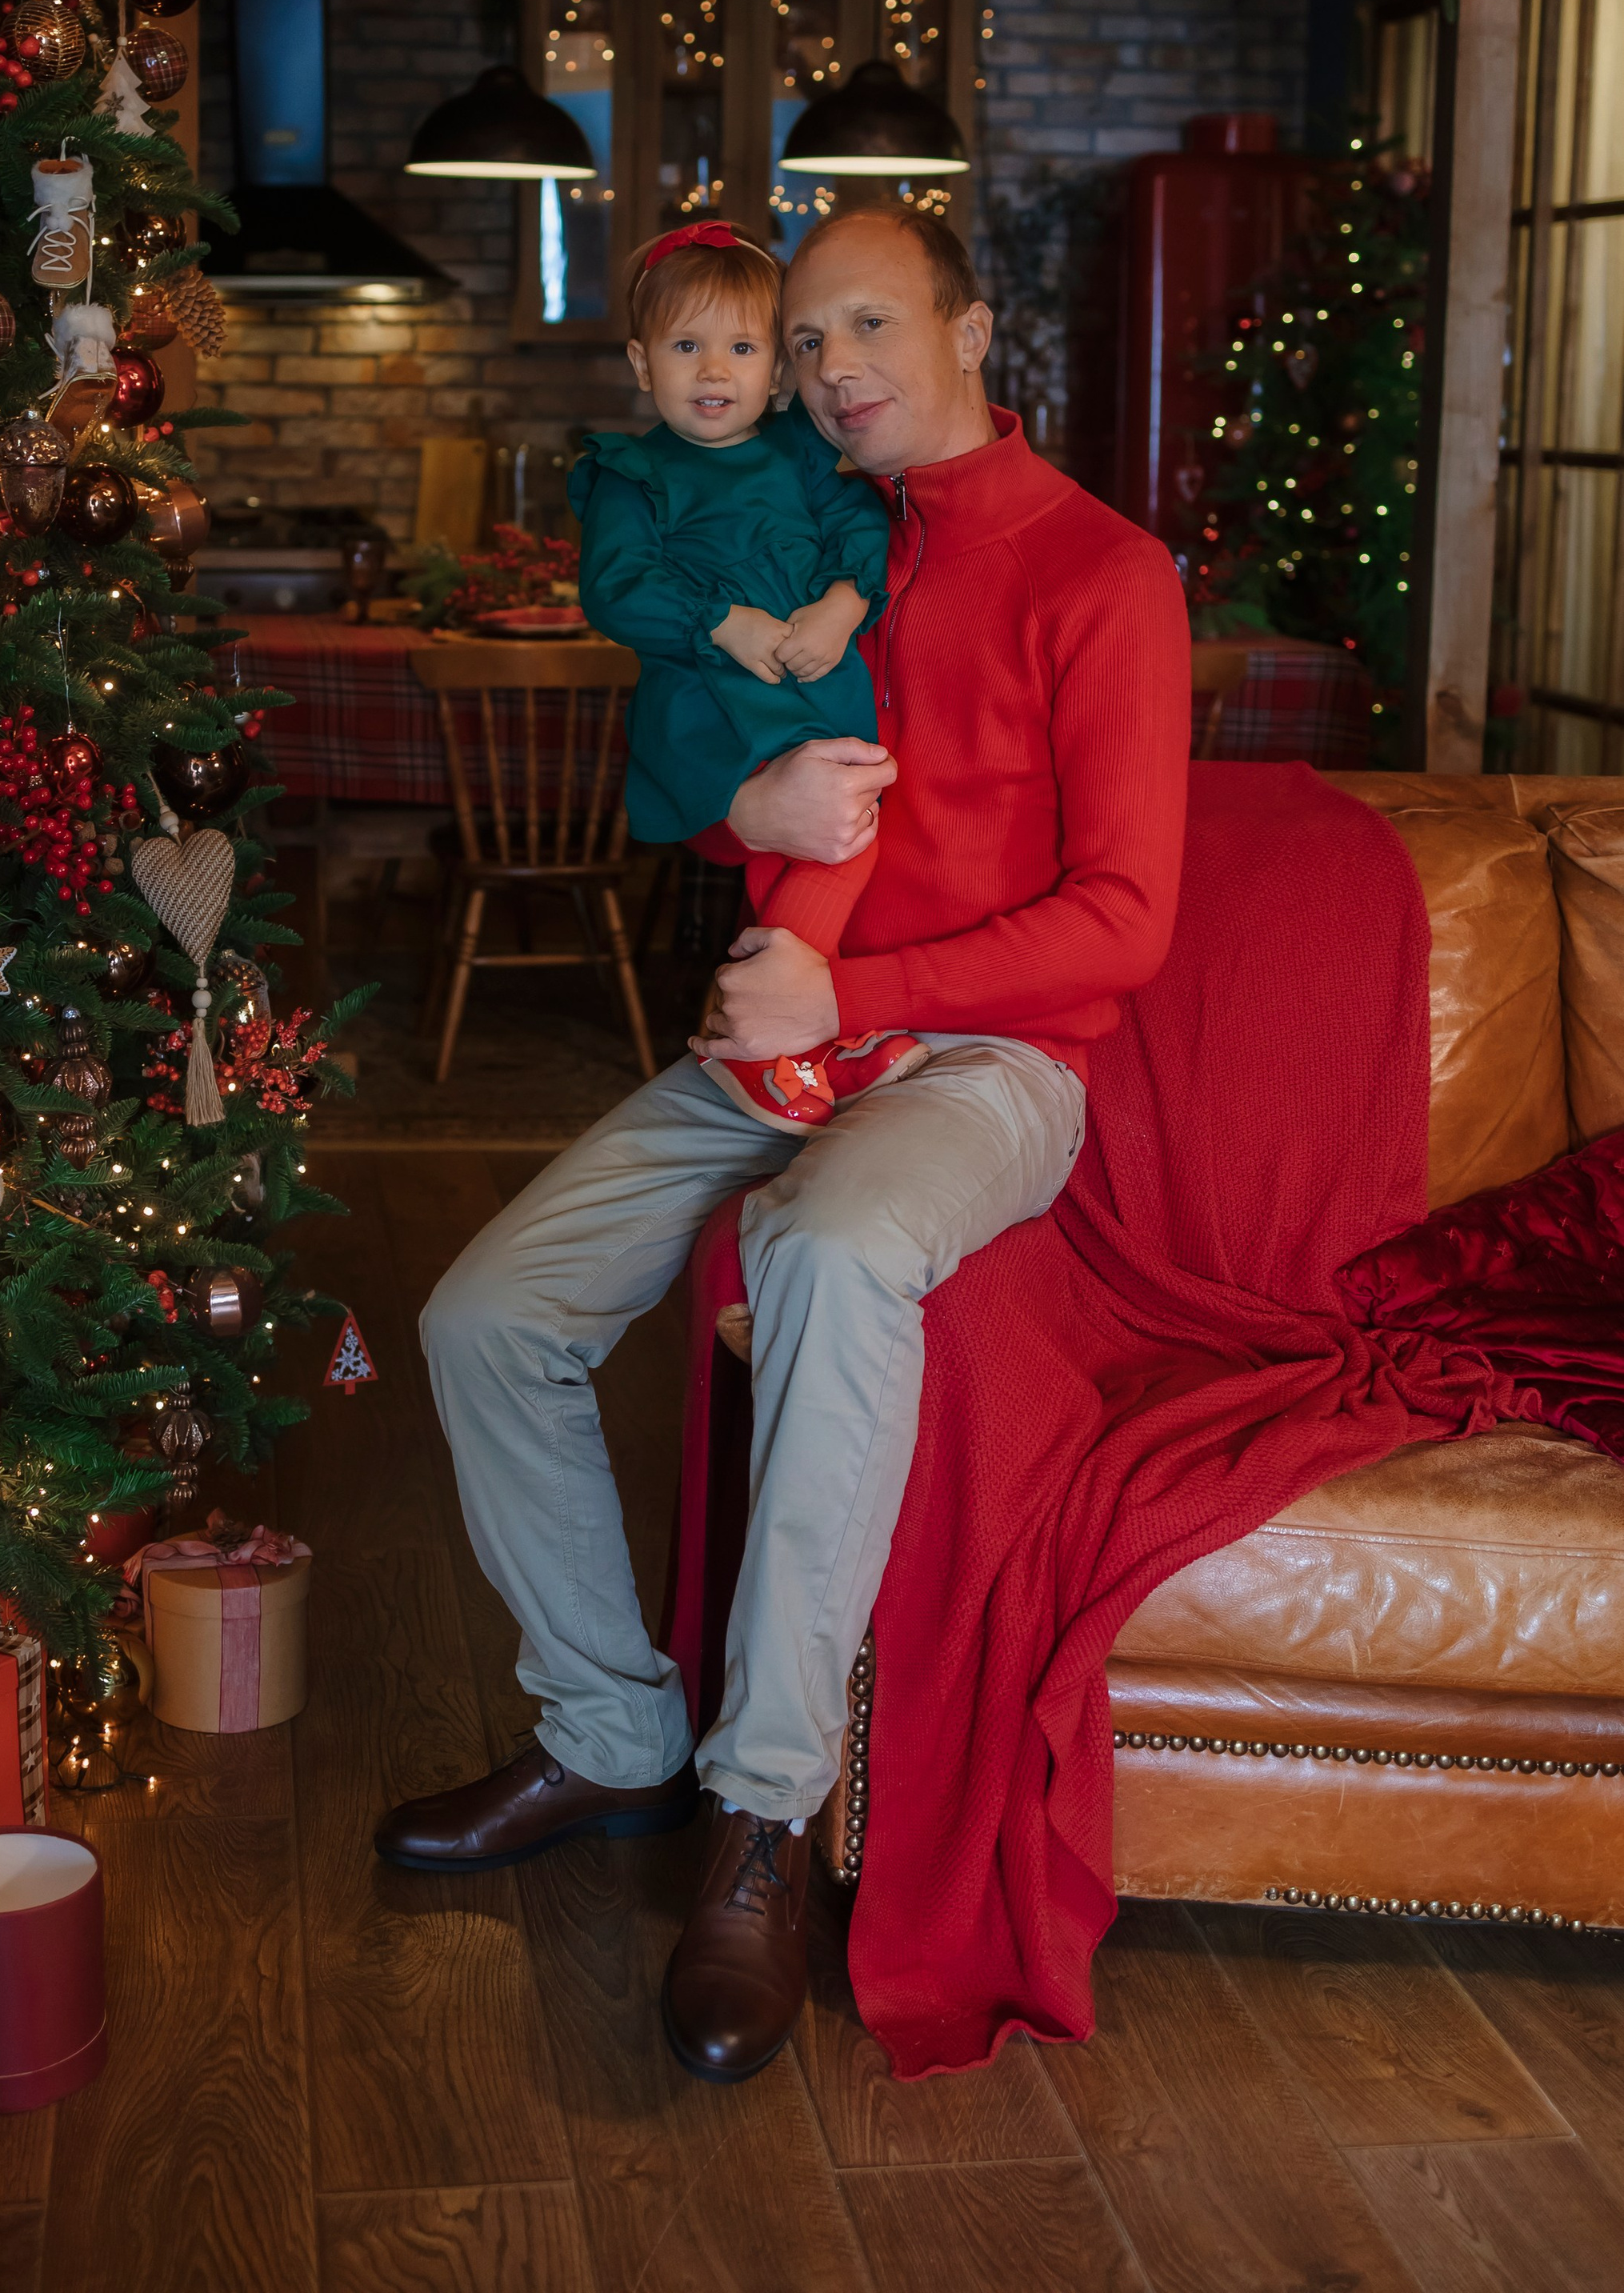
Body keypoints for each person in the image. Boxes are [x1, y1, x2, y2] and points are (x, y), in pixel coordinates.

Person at [376, 203, 1191, 2086]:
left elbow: (1127, 919)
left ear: (971, 328)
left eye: (864, 325)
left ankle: (755, 1814)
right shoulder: (819, 533)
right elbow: (695, 776)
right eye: (800, 334)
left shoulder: (1103, 572)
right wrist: (737, 805)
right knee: (485, 1307)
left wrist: (864, 988)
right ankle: (605, 1730)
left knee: (828, 1248)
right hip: (785, 1032)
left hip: (986, 1062)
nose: (823, 365)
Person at [570, 216, 928, 1132]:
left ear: (775, 372)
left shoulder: (800, 454)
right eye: (686, 347)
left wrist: (845, 604)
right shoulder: (634, 472)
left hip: (811, 676)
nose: (715, 371)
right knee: (823, 830)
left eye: (740, 348)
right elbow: (617, 588)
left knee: (847, 833)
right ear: (644, 365)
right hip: (703, 697)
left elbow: (862, 532)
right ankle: (765, 1044)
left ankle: (799, 1041)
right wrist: (720, 621)